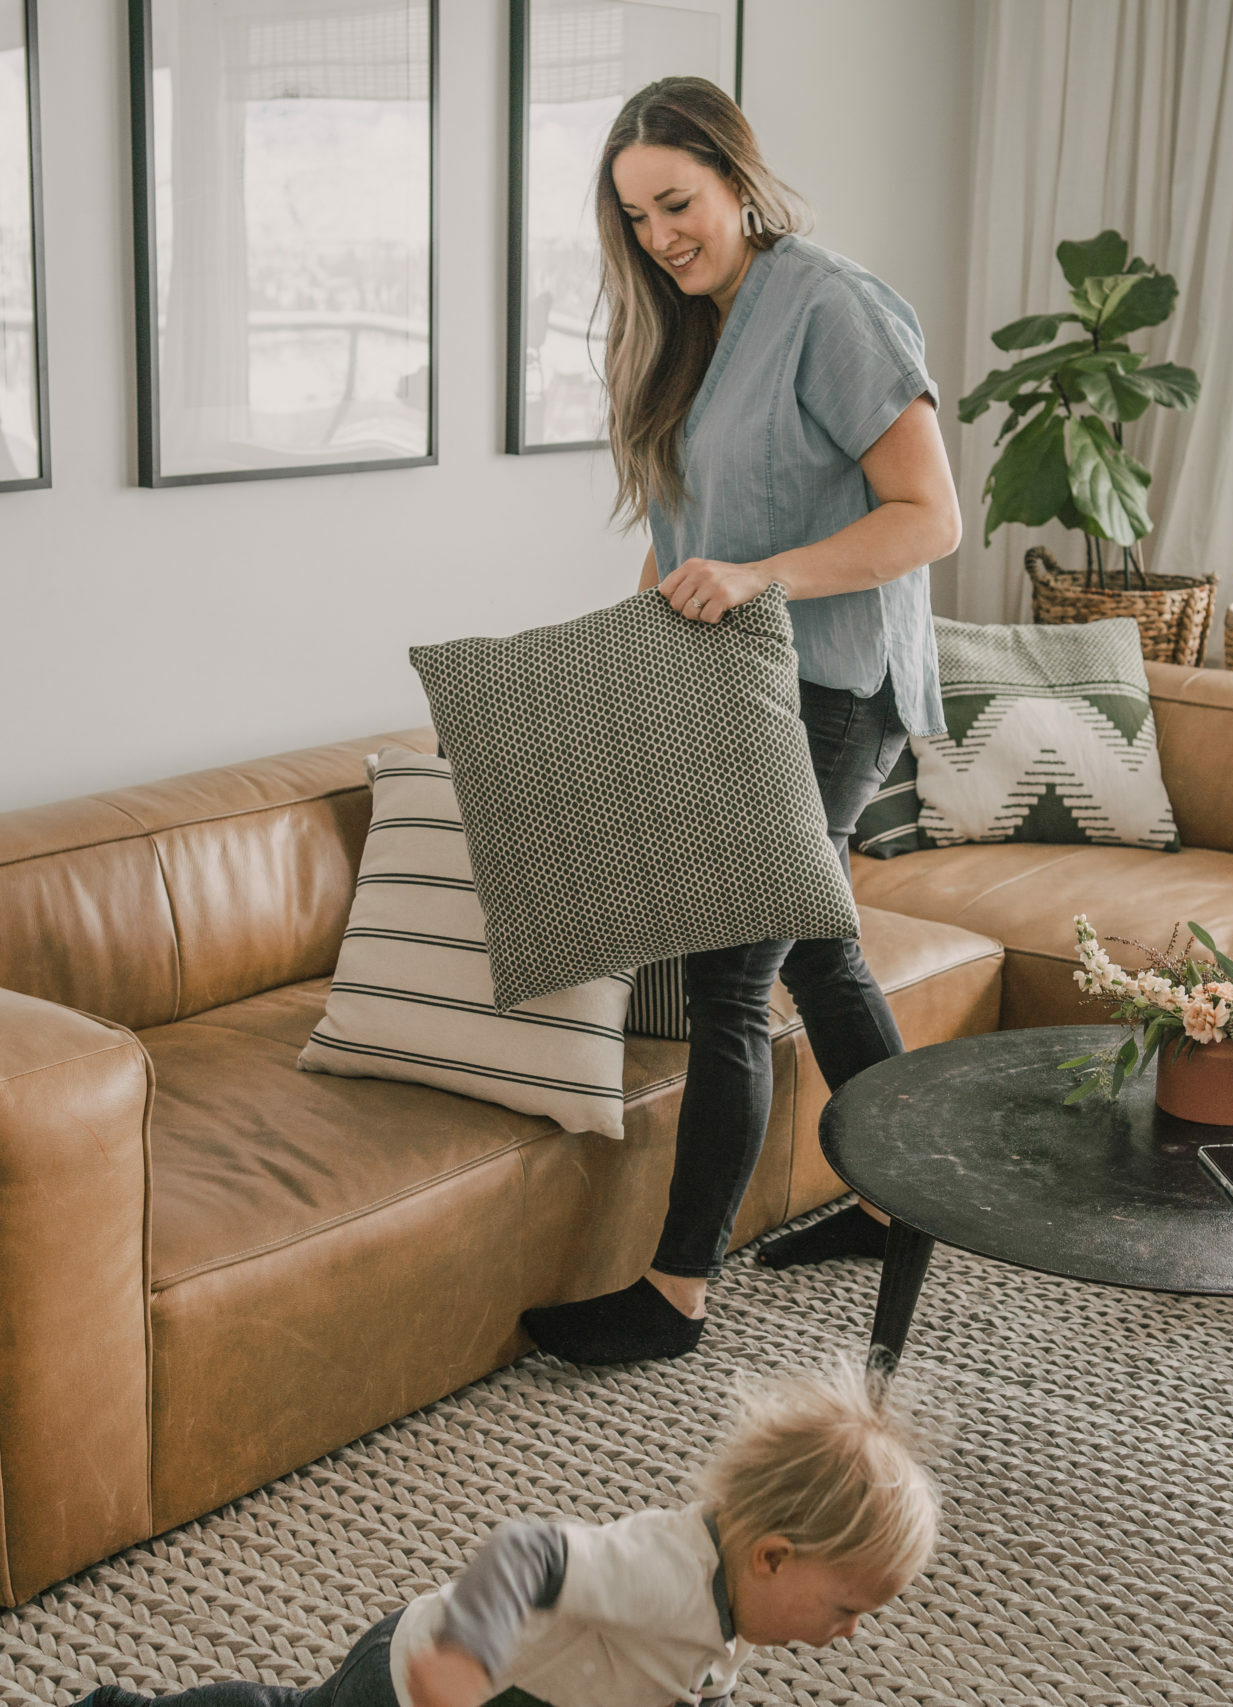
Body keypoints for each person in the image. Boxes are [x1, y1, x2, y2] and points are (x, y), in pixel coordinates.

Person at [520, 78, 961, 1365]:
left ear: (736, 179)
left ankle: (673, 1293)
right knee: (819, 952)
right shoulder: (683, 327)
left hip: (833, 685)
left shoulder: (827, 304)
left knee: (729, 973)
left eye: (678, 201)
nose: (660, 234)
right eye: (635, 215)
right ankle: (897, 1203)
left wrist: (761, 575)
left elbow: (928, 519)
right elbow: (684, 543)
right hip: (738, 686)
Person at [70, 1359, 940, 1707]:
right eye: (845, 1605)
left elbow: (695, 1679)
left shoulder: (737, 1607)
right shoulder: (665, 1569)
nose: (849, 1632)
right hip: (420, 1681)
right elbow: (529, 1550)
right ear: (775, 1554)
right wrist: (463, 1657)